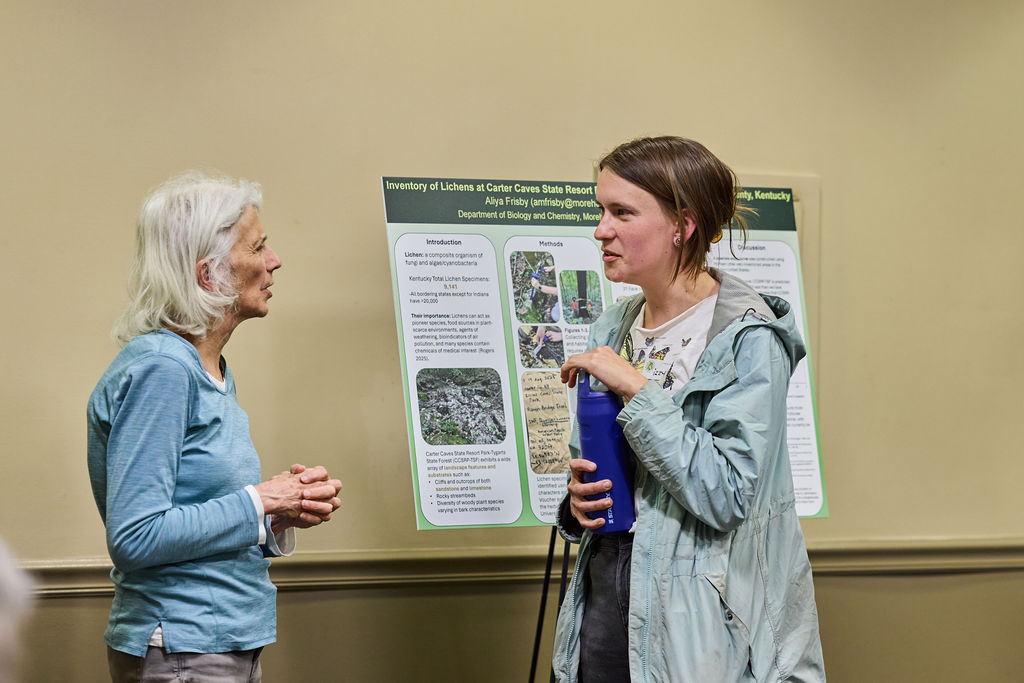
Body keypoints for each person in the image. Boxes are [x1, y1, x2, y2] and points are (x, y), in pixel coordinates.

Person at [552, 137, 825, 682]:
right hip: (607, 598)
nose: (601, 229)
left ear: (684, 223)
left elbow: (724, 494)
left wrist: (638, 389)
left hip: (703, 626)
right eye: (600, 210)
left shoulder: (750, 338)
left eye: (622, 212)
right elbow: (625, 478)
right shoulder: (614, 327)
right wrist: (577, 504)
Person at [87, 171, 343, 682]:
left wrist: (278, 516)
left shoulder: (208, 368)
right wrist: (263, 500)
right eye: (259, 246)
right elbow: (137, 535)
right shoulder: (164, 369)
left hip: (218, 642)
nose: (274, 261)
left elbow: (191, 518)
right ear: (210, 275)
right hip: (182, 648)